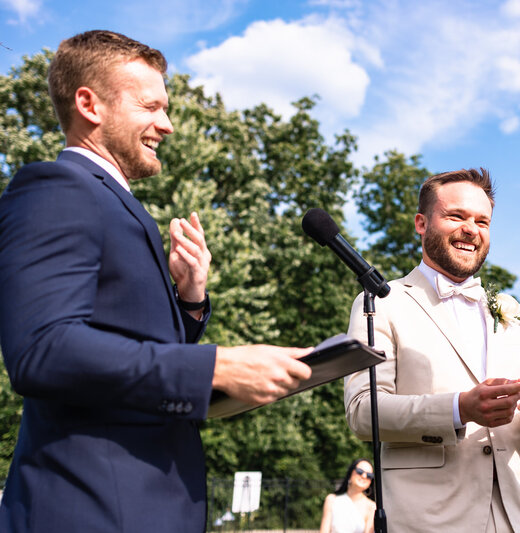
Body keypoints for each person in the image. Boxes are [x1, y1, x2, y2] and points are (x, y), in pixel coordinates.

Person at [0, 30, 312, 532]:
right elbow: (42, 349)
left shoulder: (115, 203)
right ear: (89, 104)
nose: (166, 125)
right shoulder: (57, 187)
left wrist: (189, 301)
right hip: (93, 509)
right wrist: (215, 367)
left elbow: (131, 353)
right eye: (151, 106)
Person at [344, 168, 520, 532]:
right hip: (431, 519)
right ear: (421, 223)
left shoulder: (512, 309)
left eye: (482, 221)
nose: (471, 230)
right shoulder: (382, 303)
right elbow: (361, 411)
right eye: (455, 216)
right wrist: (458, 408)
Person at [320, 458, 377, 533]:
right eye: (360, 471)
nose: (364, 476)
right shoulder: (331, 500)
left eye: (369, 475)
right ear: (350, 473)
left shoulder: (372, 507)